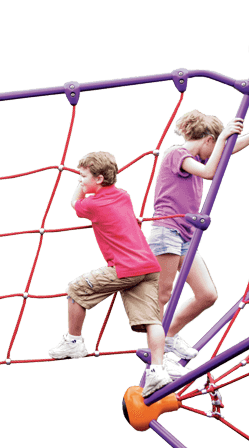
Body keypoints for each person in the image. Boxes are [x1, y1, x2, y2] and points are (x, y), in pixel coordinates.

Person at [48, 151, 171, 397]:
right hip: (149, 266)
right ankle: (159, 370)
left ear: (100, 179)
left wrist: (80, 187)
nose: (80, 180)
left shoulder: (92, 204)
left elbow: (74, 204)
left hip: (125, 268)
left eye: (83, 176)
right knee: (152, 322)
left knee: (75, 290)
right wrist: (87, 180)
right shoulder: (124, 195)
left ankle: (74, 341)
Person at [148, 109, 249, 368]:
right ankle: (158, 356)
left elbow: (225, 154)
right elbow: (211, 172)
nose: (216, 153)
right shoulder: (176, 153)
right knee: (163, 294)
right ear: (209, 139)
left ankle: (168, 334)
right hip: (167, 230)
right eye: (215, 145)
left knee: (207, 294)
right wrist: (224, 136)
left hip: (185, 235)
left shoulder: (202, 154)